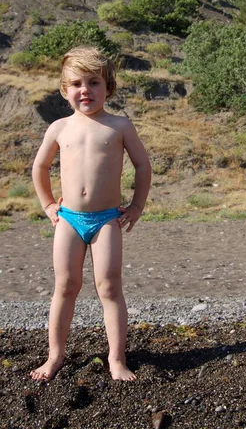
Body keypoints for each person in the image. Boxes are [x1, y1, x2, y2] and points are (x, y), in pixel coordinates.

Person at [30, 46, 151, 381]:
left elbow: (142, 165)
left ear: (108, 87)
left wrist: (137, 205)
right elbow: (39, 167)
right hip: (68, 218)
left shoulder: (119, 125)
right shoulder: (58, 127)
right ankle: (54, 356)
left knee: (109, 287)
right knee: (65, 286)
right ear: (65, 90)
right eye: (77, 83)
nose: (86, 90)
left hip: (107, 219)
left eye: (94, 82)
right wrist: (49, 205)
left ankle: (116, 358)